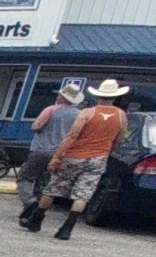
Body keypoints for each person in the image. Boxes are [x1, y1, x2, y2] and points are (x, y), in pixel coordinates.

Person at [23, 79, 131, 239]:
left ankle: (37, 219)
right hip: (98, 158)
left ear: (98, 96)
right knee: (83, 194)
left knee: (53, 188)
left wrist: (57, 156)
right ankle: (67, 228)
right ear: (114, 98)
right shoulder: (121, 116)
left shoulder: (87, 113)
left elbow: (72, 135)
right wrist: (106, 151)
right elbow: (119, 140)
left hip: (75, 155)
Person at [16, 85, 84, 221]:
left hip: (41, 149)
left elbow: (36, 126)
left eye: (59, 95)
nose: (57, 97)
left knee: (25, 177)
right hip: (60, 154)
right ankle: (34, 212)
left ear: (62, 97)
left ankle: (30, 202)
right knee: (45, 182)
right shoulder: (79, 114)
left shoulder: (51, 109)